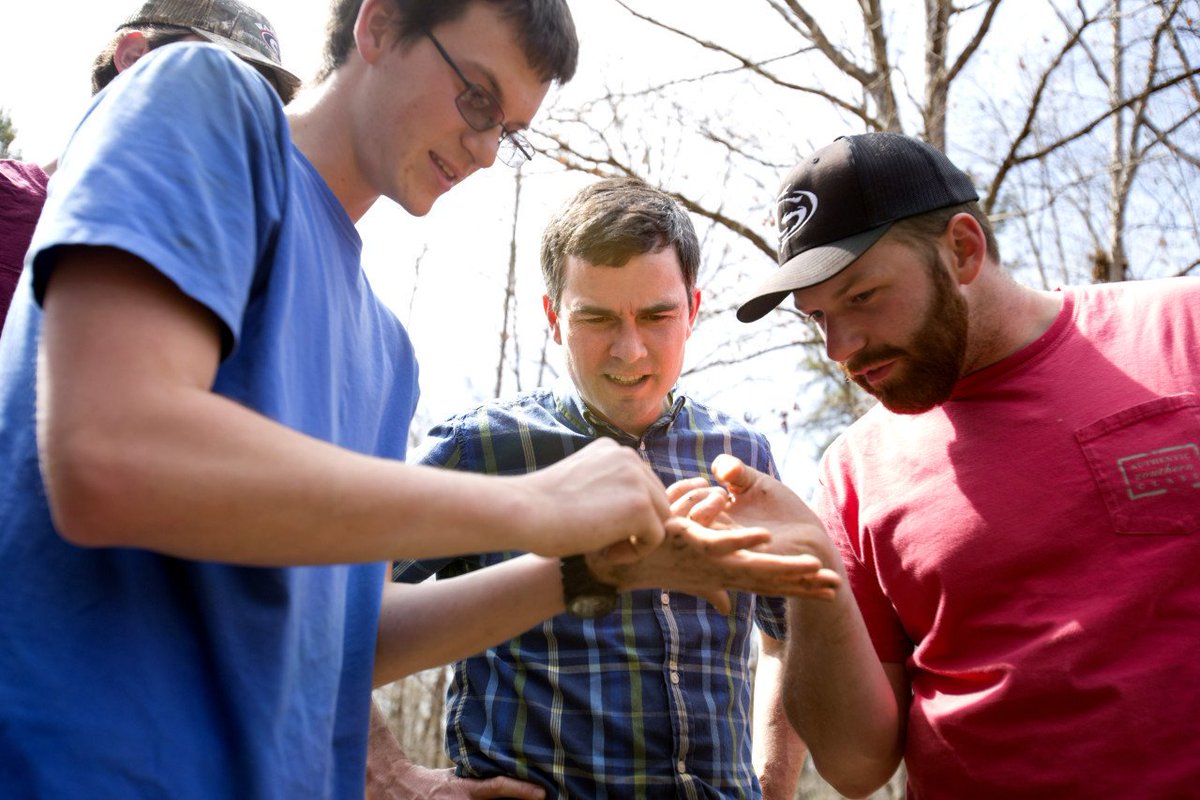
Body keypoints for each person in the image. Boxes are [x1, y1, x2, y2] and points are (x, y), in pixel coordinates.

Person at [0, 2, 765, 797]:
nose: (485, 149)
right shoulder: (203, 97)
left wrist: (588, 571)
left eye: (509, 129)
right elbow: (110, 456)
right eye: (477, 97)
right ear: (379, 25)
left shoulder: (385, 354)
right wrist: (531, 503)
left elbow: (337, 638)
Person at [675, 131, 1200, 799]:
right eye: (817, 319)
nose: (841, 347)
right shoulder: (853, 472)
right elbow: (855, 766)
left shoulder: (1183, 331)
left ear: (962, 249)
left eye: (861, 297)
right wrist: (814, 576)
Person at [368, 175, 815, 800]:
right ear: (554, 316)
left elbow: (788, 632)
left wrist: (774, 782)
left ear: (694, 308)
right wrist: (385, 775)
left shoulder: (743, 457)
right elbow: (329, 608)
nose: (629, 350)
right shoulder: (479, 449)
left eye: (657, 315)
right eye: (597, 318)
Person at [0, 0, 300, 337]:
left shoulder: (218, 275)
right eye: (224, 76)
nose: (242, 115)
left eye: (262, 104)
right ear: (132, 56)